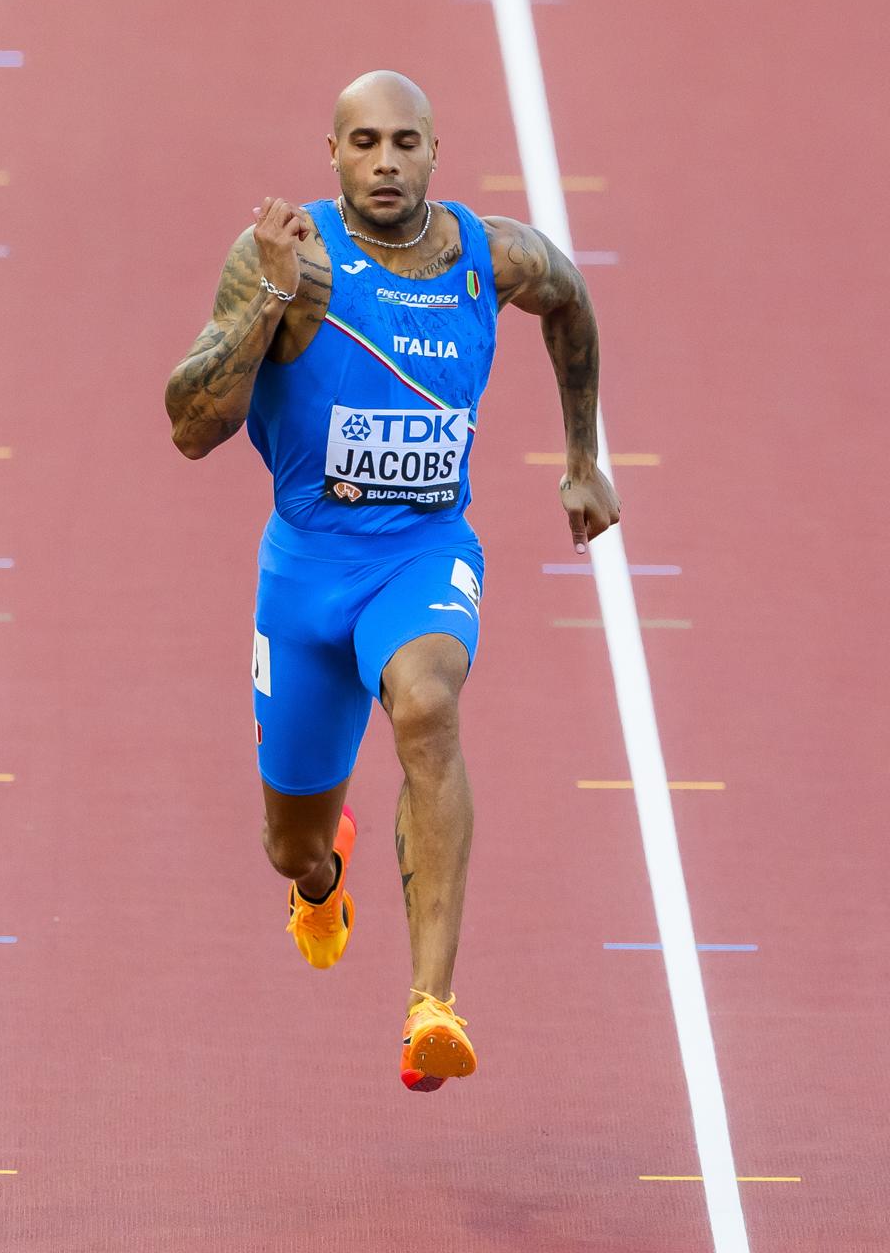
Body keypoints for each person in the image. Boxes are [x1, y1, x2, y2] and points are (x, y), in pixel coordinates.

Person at [162, 72, 618, 1092]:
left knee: (426, 701)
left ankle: (431, 1006)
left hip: (421, 554)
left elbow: (572, 299)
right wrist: (271, 301)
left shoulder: (483, 255)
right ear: (333, 152)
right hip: (307, 572)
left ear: (433, 151)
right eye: (363, 142)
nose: (384, 162)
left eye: (403, 142)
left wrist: (584, 454)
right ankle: (325, 878)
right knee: (289, 844)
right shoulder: (289, 259)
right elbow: (190, 424)